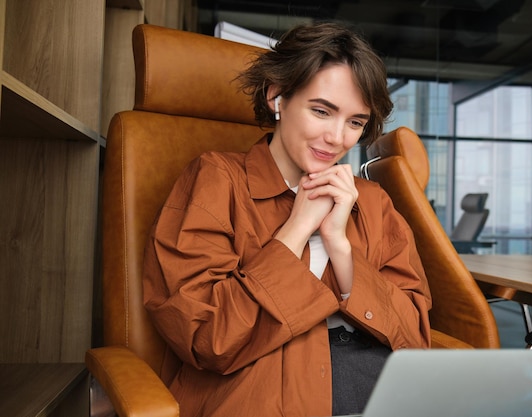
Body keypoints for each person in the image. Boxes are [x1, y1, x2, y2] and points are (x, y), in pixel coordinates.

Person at [142, 21, 432, 417]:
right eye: (321, 111)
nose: (336, 137)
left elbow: (415, 340)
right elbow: (206, 337)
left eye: (355, 122)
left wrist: (340, 249)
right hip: (256, 388)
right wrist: (295, 230)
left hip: (374, 385)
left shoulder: (373, 202)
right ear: (277, 96)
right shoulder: (216, 180)